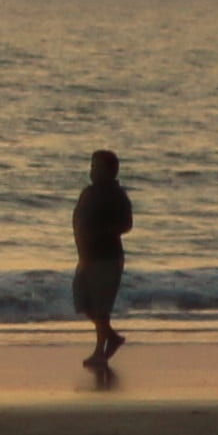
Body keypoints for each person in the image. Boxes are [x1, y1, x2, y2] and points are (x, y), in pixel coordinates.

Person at [69, 150, 135, 372]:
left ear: (110, 171)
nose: (92, 171)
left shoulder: (116, 195)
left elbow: (127, 224)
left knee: (100, 307)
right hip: (86, 256)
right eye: (91, 166)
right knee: (83, 301)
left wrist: (102, 233)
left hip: (107, 257)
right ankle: (112, 337)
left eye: (96, 167)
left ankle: (100, 351)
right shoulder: (88, 192)